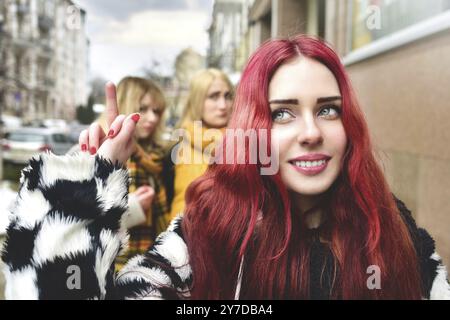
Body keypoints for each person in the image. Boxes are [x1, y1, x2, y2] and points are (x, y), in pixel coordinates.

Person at [2, 35, 449, 299]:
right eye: (282, 113)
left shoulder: (392, 230)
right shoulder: (210, 229)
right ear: (254, 124)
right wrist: (81, 197)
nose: (311, 132)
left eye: (329, 110)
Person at [94, 76, 171, 270]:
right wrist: (133, 208)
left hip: (152, 266)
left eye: (157, 111)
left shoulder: (157, 155)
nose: (152, 118)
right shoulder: (99, 149)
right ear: (127, 105)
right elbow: (79, 220)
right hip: (112, 266)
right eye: (143, 109)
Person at [169, 69, 233, 218]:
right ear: (197, 101)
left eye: (228, 96)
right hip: (186, 235)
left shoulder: (250, 144)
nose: (223, 105)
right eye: (213, 96)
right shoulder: (176, 150)